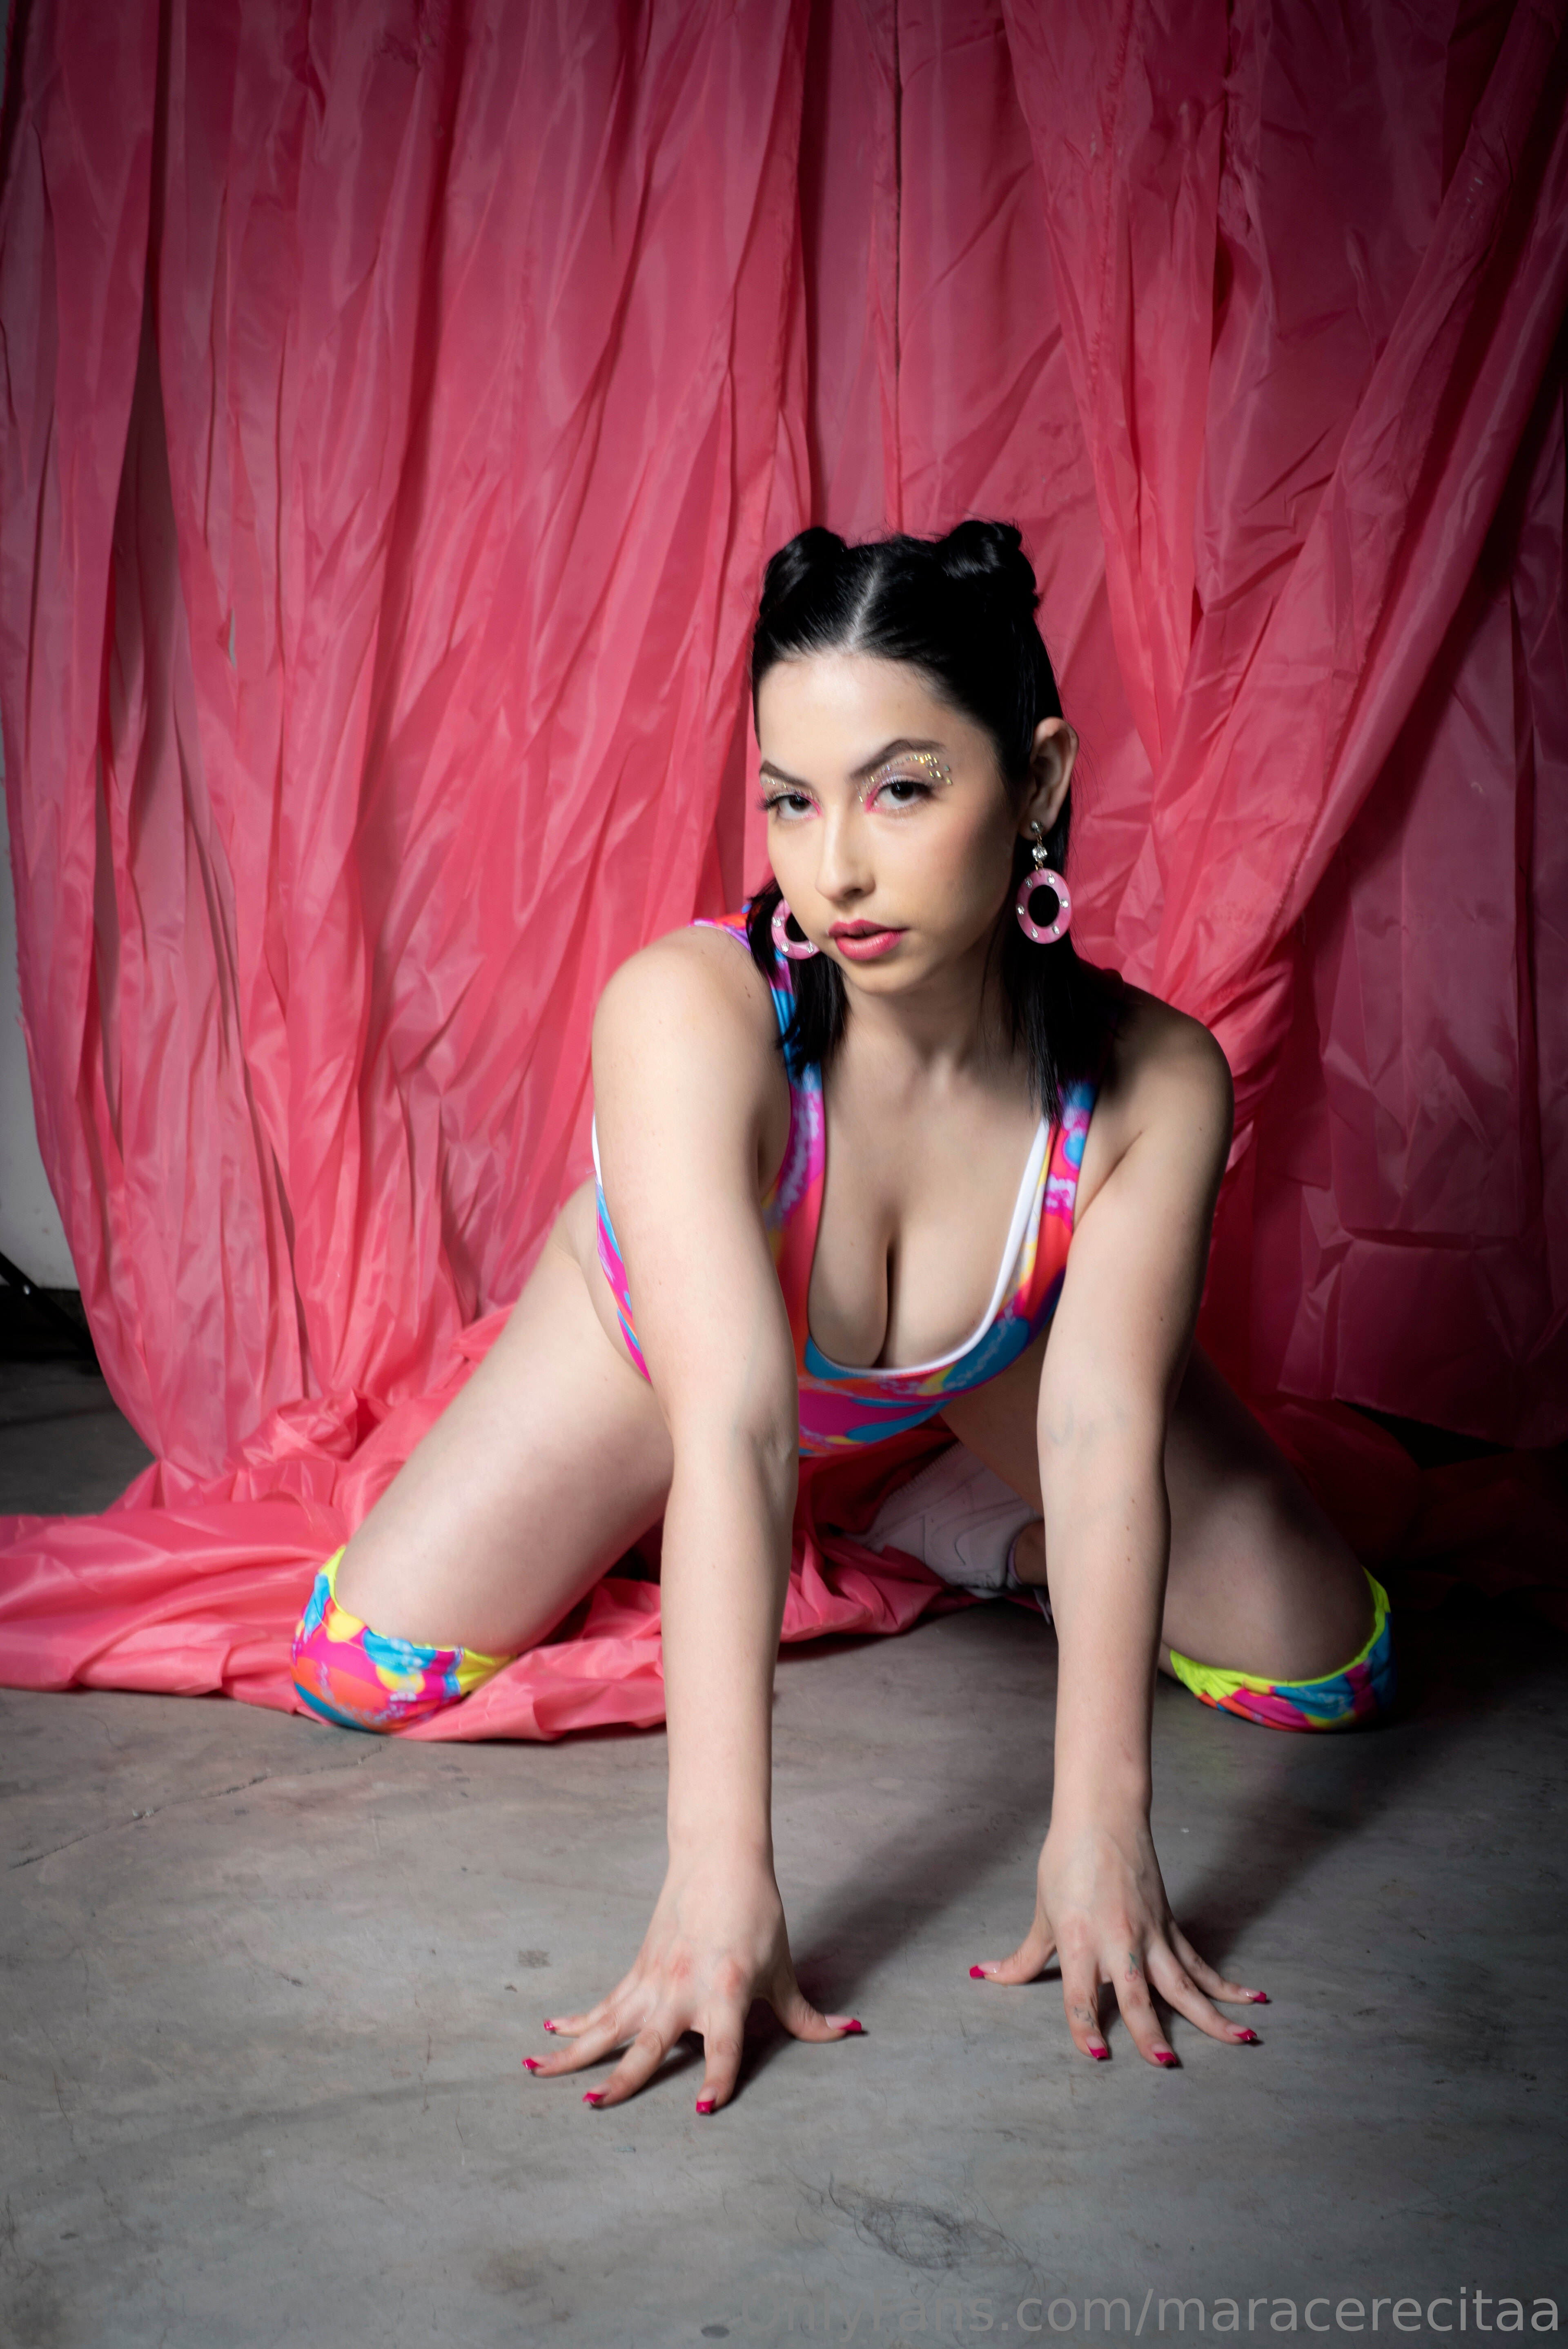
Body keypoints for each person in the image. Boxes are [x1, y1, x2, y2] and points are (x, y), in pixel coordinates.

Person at [290, 522, 1394, 2113]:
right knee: (368, 1664)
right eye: (791, 800)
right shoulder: (687, 1014)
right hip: (668, 1359)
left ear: (1037, 778)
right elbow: (739, 1430)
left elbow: (1102, 1430)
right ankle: (812, 1502)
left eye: (901, 790)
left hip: (985, 1360)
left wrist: (1101, 1829)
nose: (838, 871)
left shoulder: (1155, 1081)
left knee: (1327, 1660)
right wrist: (718, 1877)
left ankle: (951, 1513)